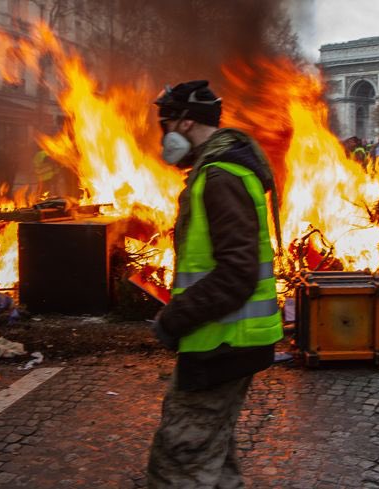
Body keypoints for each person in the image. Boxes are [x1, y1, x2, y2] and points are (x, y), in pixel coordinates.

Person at [147, 80, 283, 488]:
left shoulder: (220, 176)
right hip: (225, 339)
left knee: (182, 454)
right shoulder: (220, 169)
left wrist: (175, 319)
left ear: (186, 123)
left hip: (223, 342)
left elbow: (236, 272)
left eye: (165, 124)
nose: (163, 135)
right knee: (213, 452)